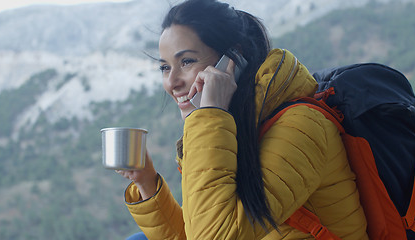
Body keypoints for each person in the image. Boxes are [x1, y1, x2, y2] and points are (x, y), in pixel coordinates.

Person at [118, 0, 369, 239]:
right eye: (165, 67)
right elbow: (198, 230)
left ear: (231, 60)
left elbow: (212, 236)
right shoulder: (232, 126)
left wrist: (209, 113)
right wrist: (146, 181)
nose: (172, 83)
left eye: (186, 61)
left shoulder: (301, 126)